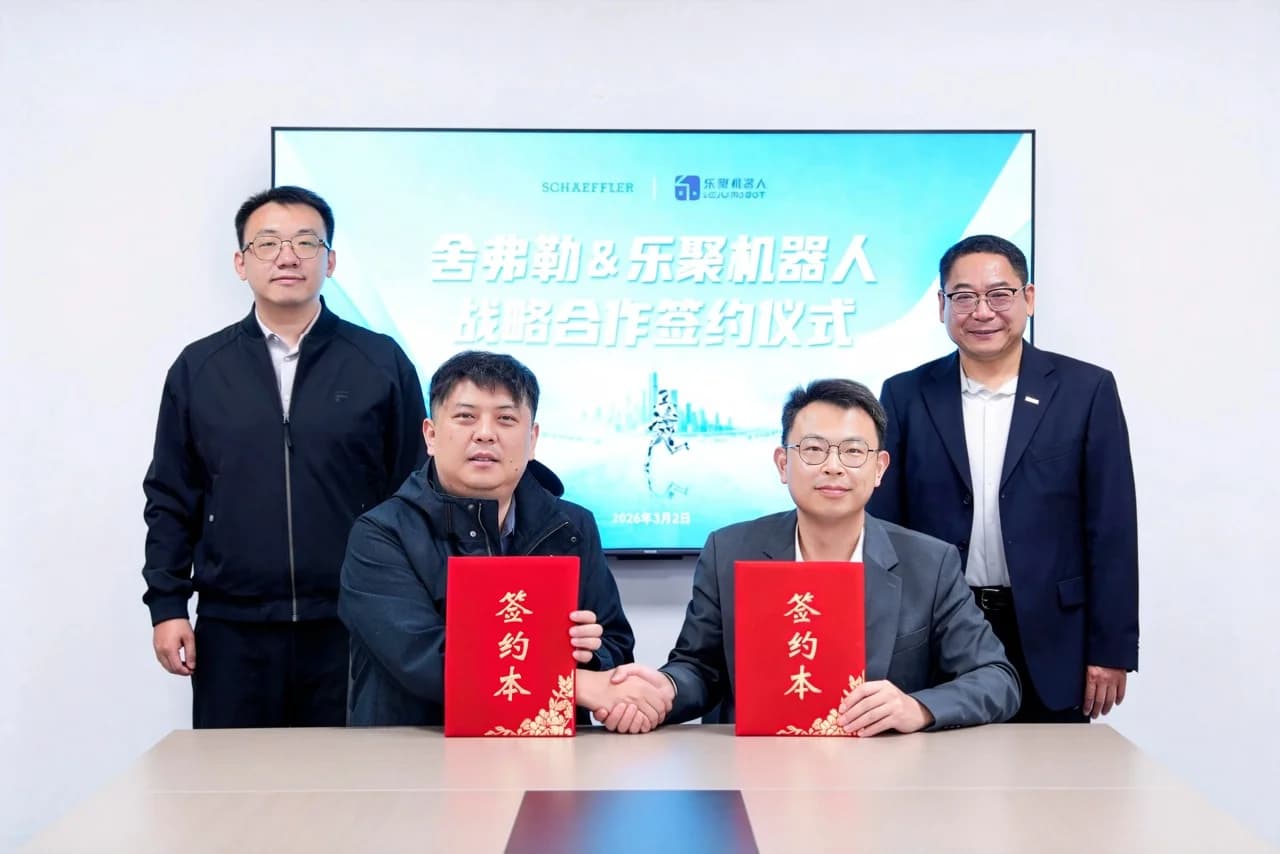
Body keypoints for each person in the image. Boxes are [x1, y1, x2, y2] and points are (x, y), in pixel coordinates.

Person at [141, 186, 428, 728]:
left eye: (305, 242)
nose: (288, 256)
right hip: (233, 630)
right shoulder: (200, 368)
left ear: (332, 260)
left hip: (357, 624)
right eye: (267, 243)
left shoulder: (379, 362)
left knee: (356, 797)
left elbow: (413, 490)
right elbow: (171, 495)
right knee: (237, 798)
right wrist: (168, 605)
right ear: (240, 262)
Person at [596, 379, 1020, 735]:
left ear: (879, 468)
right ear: (783, 463)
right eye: (814, 449)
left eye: (853, 452)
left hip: (883, 778)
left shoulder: (930, 562)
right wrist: (666, 688)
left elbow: (997, 680)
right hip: (756, 772)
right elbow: (700, 669)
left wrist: (918, 708)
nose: (833, 467)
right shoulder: (729, 551)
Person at [868, 234, 1138, 722]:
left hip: (1052, 633)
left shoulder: (1085, 390)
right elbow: (884, 530)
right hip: (940, 628)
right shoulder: (905, 395)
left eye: (999, 294)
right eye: (964, 297)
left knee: (1049, 789)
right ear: (941, 306)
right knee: (937, 788)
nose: (982, 311)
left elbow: (1112, 527)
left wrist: (1111, 648)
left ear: (1028, 299)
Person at [338, 350, 644, 726]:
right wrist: (575, 683)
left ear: (532, 440)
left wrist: (591, 655)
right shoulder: (382, 534)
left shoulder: (572, 527)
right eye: (466, 417)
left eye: (506, 418)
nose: (485, 433)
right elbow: (423, 661)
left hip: (546, 756)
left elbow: (617, 649)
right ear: (431, 436)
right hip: (415, 756)